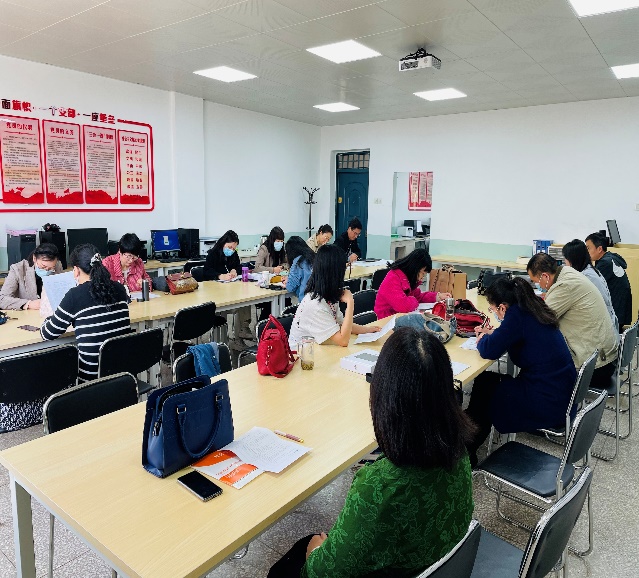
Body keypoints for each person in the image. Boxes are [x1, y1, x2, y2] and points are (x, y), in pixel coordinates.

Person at [268, 328, 474, 578]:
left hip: (396, 568)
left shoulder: (380, 487)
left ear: (384, 395)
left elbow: (322, 572)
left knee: (290, 562)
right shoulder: (459, 451)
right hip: (432, 560)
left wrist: (316, 550)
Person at [465, 277, 577, 468]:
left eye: (493, 309)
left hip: (547, 400)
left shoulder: (516, 316)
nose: (494, 313)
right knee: (486, 381)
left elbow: (488, 350)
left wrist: (482, 337)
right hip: (561, 392)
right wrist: (495, 334)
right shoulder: (532, 307)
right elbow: (515, 334)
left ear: (502, 307)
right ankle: (469, 441)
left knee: (486, 390)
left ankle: (468, 448)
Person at [41, 244, 131, 383]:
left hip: (91, 381)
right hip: (123, 375)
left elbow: (47, 334)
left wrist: (49, 318)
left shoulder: (75, 295)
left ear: (76, 270)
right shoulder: (119, 288)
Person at [527, 252, 618, 390]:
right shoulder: (567, 272)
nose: (537, 285)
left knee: (538, 363)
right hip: (605, 358)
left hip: (596, 367)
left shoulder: (564, 286)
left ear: (545, 276)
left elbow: (539, 321)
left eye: (535, 281)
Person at [288, 244, 380, 348]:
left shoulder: (327, 294)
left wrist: (367, 330)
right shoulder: (315, 305)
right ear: (335, 273)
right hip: (301, 355)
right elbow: (343, 341)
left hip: (317, 349)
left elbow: (341, 324)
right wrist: (350, 303)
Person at [374, 249, 450, 318]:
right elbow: (404, 306)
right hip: (386, 320)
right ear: (415, 269)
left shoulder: (407, 279)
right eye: (423, 273)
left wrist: (438, 296)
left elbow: (418, 297)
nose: (423, 277)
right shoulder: (393, 278)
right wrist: (413, 300)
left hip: (398, 317)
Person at [562, 239, 618, 334]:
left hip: (602, 330)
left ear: (572, 260)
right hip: (606, 325)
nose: (565, 263)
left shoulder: (586, 277)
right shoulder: (591, 271)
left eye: (565, 259)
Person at [585, 232, 632, 329]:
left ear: (599, 249)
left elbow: (591, 287)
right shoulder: (610, 258)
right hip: (622, 312)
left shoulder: (605, 264)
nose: (586, 252)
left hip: (616, 316)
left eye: (588, 248)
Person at [0, 242, 62, 310]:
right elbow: (2, 299)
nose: (47, 270)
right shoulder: (17, 269)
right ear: (34, 258)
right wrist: (28, 304)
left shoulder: (57, 265)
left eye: (51, 268)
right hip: (27, 313)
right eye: (43, 266)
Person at [284, 236, 314, 301]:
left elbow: (290, 287)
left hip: (306, 301)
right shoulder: (313, 257)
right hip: (318, 299)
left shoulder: (298, 262)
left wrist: (287, 281)